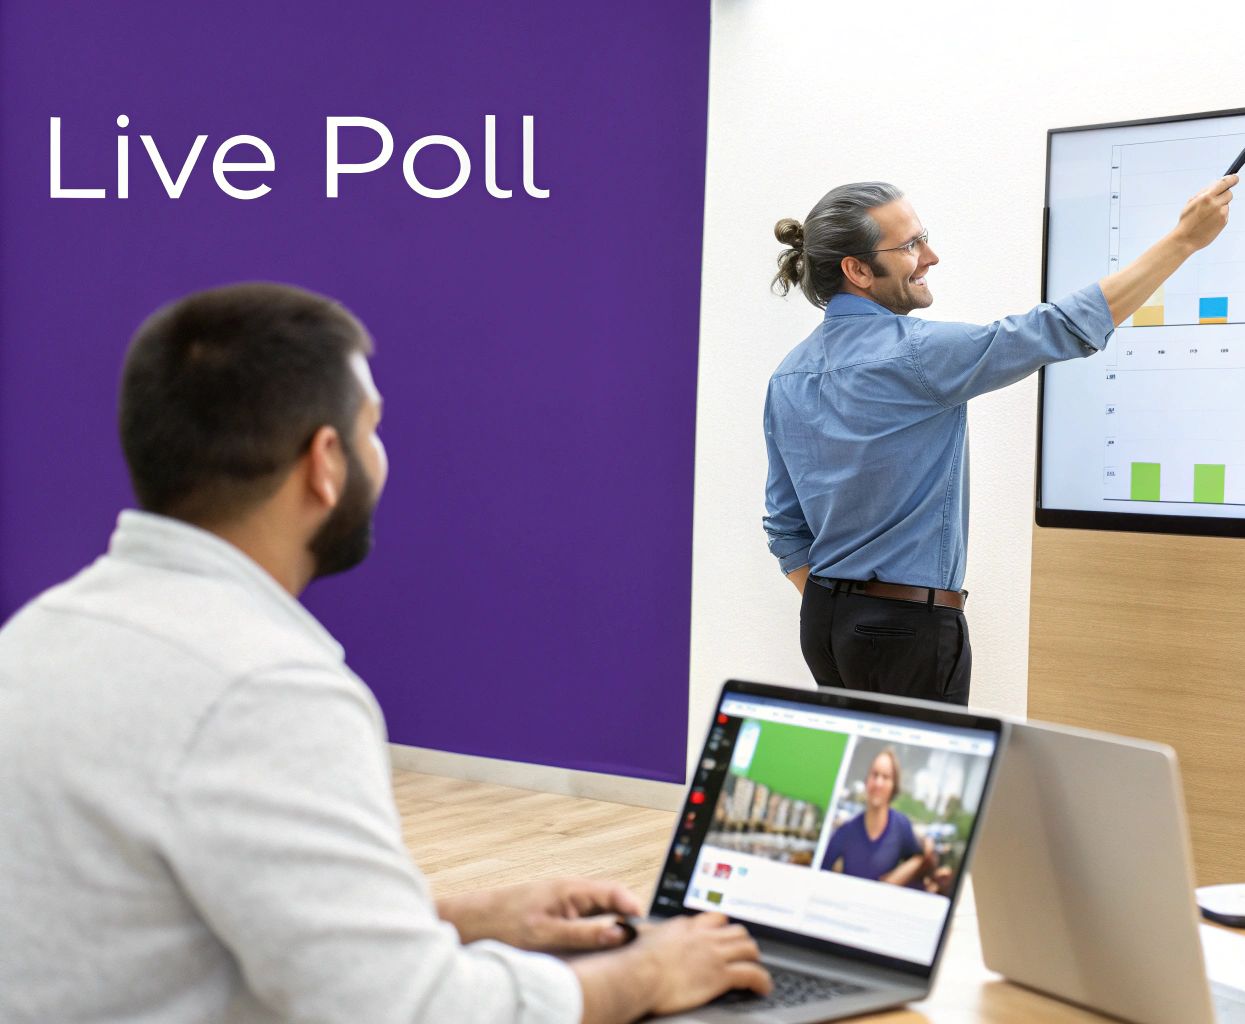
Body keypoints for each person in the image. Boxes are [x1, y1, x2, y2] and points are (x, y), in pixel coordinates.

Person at [0, 283, 769, 1024]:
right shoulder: (266, 690)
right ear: (325, 462)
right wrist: (645, 973)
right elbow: (412, 1012)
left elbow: (162, 932)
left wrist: (459, 919)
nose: (381, 455)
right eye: (372, 429)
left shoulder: (42, 634)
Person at [764, 176, 1238, 704]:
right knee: (921, 787)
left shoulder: (788, 374)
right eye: (911, 245)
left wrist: (846, 605)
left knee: (862, 782)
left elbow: (785, 527)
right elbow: (1058, 328)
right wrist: (1182, 242)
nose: (931, 256)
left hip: (826, 623)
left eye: (925, 237)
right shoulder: (916, 355)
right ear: (857, 270)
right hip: (904, 630)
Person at [819, 748, 941, 889]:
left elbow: (920, 864)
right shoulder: (846, 831)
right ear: (867, 781)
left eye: (885, 777)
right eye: (874, 775)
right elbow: (820, 874)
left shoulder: (901, 827)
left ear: (893, 786)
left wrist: (889, 883)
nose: (878, 783)